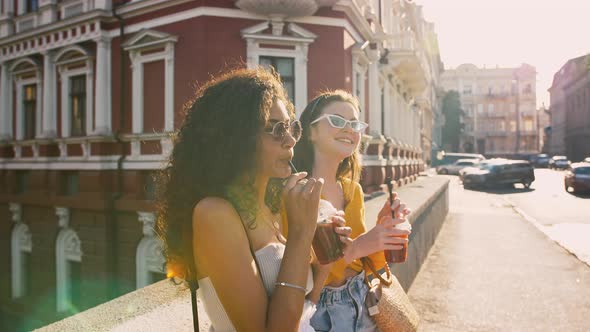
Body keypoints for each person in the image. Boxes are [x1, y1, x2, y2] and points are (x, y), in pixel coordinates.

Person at [156, 69, 351, 331]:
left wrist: (325, 259)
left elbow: (307, 305)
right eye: (275, 129)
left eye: (291, 127)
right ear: (234, 137)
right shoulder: (215, 213)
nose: (291, 140)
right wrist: (301, 235)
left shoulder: (274, 206)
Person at [291, 90, 412, 331]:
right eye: (337, 121)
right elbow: (293, 270)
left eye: (355, 124)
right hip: (319, 313)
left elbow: (365, 261)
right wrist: (357, 246)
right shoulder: (296, 192)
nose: (350, 130)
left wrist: (381, 232)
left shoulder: (353, 190)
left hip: (363, 300)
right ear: (311, 132)